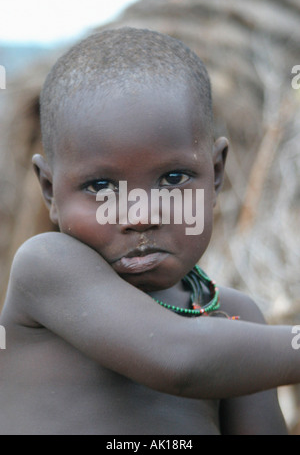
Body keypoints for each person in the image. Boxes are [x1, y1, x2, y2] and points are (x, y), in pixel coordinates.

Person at [0, 28, 298, 435]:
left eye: (173, 178)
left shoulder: (235, 317)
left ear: (216, 174)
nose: (139, 216)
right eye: (100, 187)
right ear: (50, 191)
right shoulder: (47, 267)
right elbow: (180, 360)